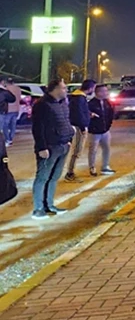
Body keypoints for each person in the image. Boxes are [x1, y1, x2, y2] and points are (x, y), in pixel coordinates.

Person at [31, 79, 74, 217]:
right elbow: (38, 128)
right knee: (42, 177)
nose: (66, 90)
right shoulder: (42, 105)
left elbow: (66, 122)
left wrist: (68, 140)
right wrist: (42, 147)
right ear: (55, 89)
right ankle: (38, 209)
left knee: (54, 177)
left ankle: (49, 205)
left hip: (63, 145)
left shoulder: (62, 104)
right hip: (49, 147)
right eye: (63, 88)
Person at [63, 79, 95, 182]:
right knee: (77, 150)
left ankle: (70, 172)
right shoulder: (79, 98)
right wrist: (82, 127)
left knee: (76, 150)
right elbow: (78, 114)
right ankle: (70, 173)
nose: (93, 90)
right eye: (93, 88)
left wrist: (89, 114)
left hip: (76, 126)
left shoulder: (77, 97)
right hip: (78, 127)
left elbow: (80, 111)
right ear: (90, 88)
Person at [87, 83, 116, 175]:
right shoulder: (91, 104)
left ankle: (105, 166)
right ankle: (92, 168)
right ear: (98, 92)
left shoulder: (108, 103)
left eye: (106, 91)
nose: (106, 93)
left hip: (105, 131)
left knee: (107, 148)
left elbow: (111, 114)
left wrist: (108, 126)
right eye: (104, 91)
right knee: (93, 150)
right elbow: (87, 116)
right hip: (94, 132)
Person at [0, 77, 18, 147]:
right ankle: (9, 139)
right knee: (9, 126)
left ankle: (8, 139)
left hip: (6, 111)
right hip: (3, 112)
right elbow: (13, 98)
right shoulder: (5, 91)